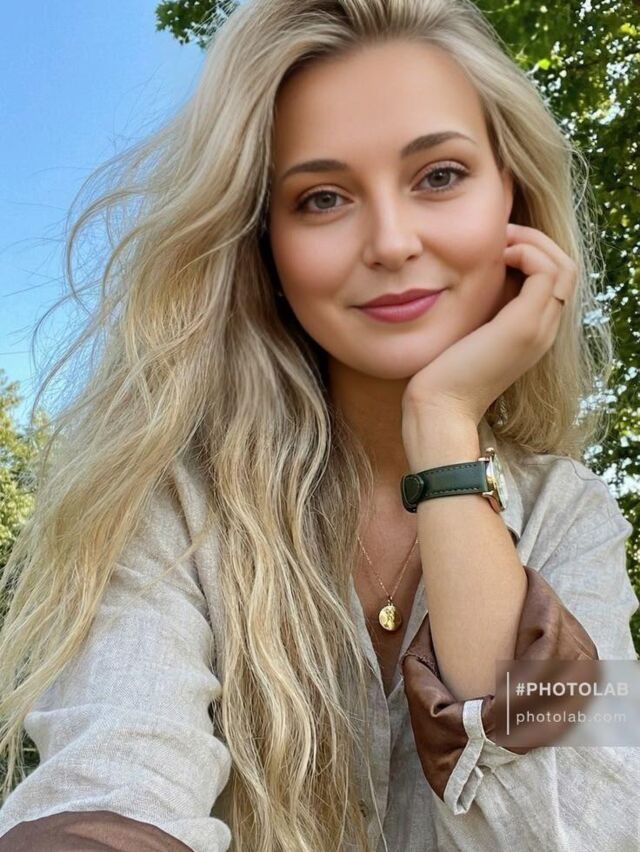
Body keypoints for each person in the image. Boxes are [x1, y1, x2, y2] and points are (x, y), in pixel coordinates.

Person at [0, 0, 638, 850]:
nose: (392, 242)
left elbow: (587, 829)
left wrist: (443, 424)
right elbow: (114, 787)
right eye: (323, 197)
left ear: (513, 197)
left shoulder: (575, 516)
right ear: (263, 243)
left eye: (440, 176)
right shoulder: (167, 505)